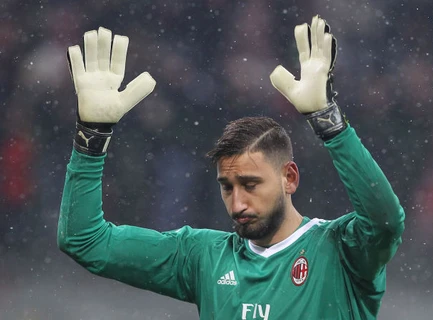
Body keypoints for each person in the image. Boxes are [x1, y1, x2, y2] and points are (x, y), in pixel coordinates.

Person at [58, 15, 405, 319]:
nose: (237, 204)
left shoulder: (340, 249)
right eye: (227, 186)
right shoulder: (202, 256)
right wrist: (92, 136)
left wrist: (329, 123)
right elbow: (84, 240)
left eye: (251, 185)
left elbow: (386, 220)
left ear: (289, 177)